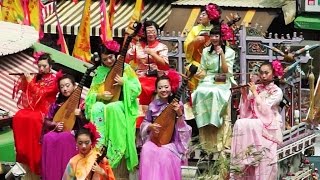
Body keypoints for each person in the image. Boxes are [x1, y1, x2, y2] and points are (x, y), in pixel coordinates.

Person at [85, 40, 141, 177]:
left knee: (113, 107)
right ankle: (100, 143)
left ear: (116, 55)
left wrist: (125, 83)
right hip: (104, 106)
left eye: (111, 57)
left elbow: (137, 89)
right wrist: (100, 95)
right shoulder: (100, 72)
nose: (109, 61)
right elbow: (90, 96)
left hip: (121, 106)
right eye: (105, 59)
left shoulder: (126, 68)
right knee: (97, 107)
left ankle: (115, 149)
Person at [230, 62, 283, 179]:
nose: (263, 76)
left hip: (270, 121)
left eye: (266, 73)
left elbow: (265, 109)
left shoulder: (277, 91)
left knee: (254, 124)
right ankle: (242, 160)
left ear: (273, 74)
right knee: (240, 122)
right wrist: (244, 95)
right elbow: (247, 109)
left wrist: (254, 92)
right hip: (254, 120)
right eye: (261, 73)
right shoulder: (257, 87)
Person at [12, 52, 59, 177]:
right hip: (35, 108)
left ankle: (34, 153)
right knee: (19, 116)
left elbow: (40, 93)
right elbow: (28, 93)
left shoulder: (54, 80)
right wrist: (26, 81)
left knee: (33, 118)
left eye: (44, 66)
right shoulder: (38, 77)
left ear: (50, 66)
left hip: (46, 109)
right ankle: (24, 152)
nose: (41, 69)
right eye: (39, 66)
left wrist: (30, 82)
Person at [192, 24, 235, 152]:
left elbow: (226, 70)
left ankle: (220, 134)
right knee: (199, 92)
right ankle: (205, 135)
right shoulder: (206, 51)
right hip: (209, 79)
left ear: (222, 37)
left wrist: (221, 54)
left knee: (215, 92)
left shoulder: (229, 52)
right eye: (212, 35)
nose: (214, 38)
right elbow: (204, 69)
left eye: (217, 35)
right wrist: (197, 73)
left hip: (223, 78)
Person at [139, 75, 192, 180]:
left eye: (166, 87)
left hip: (171, 142)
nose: (163, 90)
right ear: (156, 90)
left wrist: (179, 114)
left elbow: (184, 128)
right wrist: (150, 126)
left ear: (171, 87)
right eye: (160, 88)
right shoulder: (152, 105)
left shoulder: (178, 104)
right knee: (146, 149)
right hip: (154, 140)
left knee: (164, 154)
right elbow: (145, 123)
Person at [41, 74, 88, 180]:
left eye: (67, 85)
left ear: (74, 86)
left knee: (65, 137)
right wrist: (55, 125)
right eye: (62, 87)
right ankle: (51, 175)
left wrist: (80, 115)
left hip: (75, 132)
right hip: (58, 131)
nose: (65, 89)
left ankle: (66, 175)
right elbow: (47, 120)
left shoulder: (82, 103)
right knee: (47, 137)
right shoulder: (56, 104)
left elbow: (89, 123)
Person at [126, 20, 180, 106]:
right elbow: (126, 59)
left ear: (156, 32)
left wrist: (152, 53)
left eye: (153, 31)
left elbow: (165, 66)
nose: (151, 34)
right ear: (143, 33)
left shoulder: (162, 47)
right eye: (148, 32)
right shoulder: (137, 46)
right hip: (140, 76)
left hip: (157, 76)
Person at [184, 3, 221, 91]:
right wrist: (195, 41)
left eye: (203, 14)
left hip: (214, 64)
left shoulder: (217, 29)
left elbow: (224, 47)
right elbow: (186, 45)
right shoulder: (195, 29)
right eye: (200, 14)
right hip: (198, 63)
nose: (200, 16)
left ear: (211, 16)